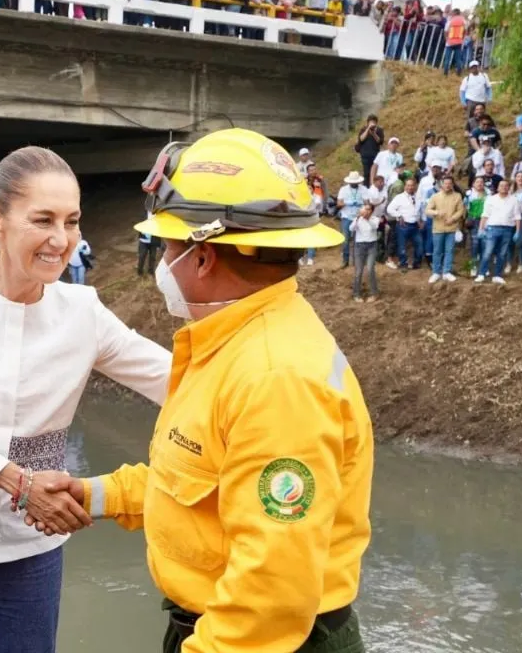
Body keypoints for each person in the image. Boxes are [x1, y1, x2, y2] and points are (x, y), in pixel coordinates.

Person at [47, 128, 373, 653]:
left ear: (203, 257)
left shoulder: (276, 379)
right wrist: (95, 495)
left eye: (169, 245)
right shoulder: (234, 342)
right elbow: (200, 482)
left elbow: (268, 596)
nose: (162, 261)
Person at [0, 146, 172, 653]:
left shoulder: (82, 311)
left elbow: (173, 380)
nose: (60, 240)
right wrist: (21, 485)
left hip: (30, 548)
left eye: (72, 221)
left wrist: (263, 376)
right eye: (43, 219)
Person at [476, 179, 521, 285]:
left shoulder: (514, 200)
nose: (504, 187)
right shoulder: (491, 199)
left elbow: (517, 216)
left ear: (509, 187)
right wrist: (481, 229)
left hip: (507, 229)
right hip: (492, 228)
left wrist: (518, 231)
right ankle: (481, 274)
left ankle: (497, 275)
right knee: (488, 252)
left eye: (506, 186)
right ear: (497, 187)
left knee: (502, 253)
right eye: (501, 186)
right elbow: (485, 214)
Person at [424, 175, 464, 283]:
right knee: (437, 251)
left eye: (450, 183)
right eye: (445, 183)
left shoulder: (457, 196)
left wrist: (453, 218)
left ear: (452, 184)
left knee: (449, 251)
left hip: (451, 228)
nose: (447, 185)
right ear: (442, 184)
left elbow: (460, 211)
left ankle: (446, 272)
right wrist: (436, 212)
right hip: (438, 228)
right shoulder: (435, 196)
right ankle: (436, 272)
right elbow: (427, 210)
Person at [350, 203, 381, 301]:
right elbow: (351, 228)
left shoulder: (375, 219)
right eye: (365, 209)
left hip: (371, 245)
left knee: (370, 268)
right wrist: (358, 218)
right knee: (358, 271)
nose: (366, 211)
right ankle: (356, 294)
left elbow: (374, 227)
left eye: (368, 209)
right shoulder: (358, 219)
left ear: (372, 211)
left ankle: (374, 293)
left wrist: (367, 219)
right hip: (359, 246)